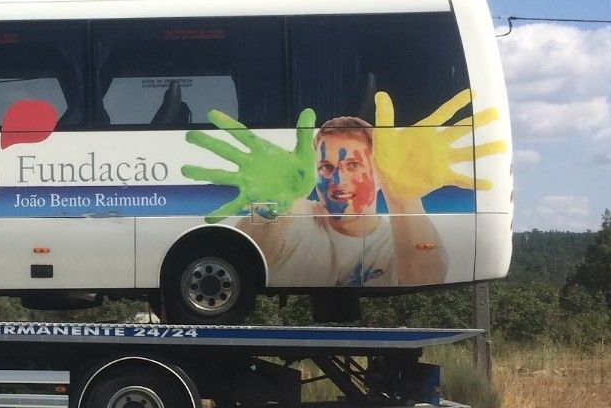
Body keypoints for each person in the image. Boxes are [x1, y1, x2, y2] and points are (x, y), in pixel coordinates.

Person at [183, 90, 501, 288]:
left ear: (377, 172)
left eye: (353, 166)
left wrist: (402, 193)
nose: (337, 182)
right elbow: (256, 235)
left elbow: (426, 275)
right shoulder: (294, 213)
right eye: (327, 168)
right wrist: (270, 202)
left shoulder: (401, 238)